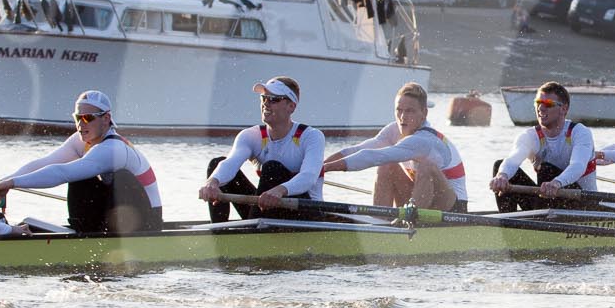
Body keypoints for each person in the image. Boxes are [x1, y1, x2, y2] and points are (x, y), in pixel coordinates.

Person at [0, 89, 164, 235]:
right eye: (77, 118)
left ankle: (90, 237)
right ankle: (85, 232)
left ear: (106, 119)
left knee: (80, 173)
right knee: (81, 175)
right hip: (121, 216)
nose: (81, 124)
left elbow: (61, 173)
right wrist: (2, 182)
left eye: (87, 118)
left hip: (147, 223)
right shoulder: (81, 140)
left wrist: (12, 184)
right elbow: (45, 163)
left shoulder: (113, 149)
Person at [323, 81, 468, 212]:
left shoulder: (424, 140)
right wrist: (317, 166)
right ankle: (380, 223)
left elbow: (373, 157)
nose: (402, 117)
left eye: (410, 111)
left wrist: (324, 169)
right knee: (387, 166)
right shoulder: (393, 130)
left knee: (426, 166)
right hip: (422, 198)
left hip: (453, 208)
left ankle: (410, 226)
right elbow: (358, 150)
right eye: (399, 110)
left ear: (424, 113)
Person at [198, 76, 326, 221]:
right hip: (267, 208)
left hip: (306, 212)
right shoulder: (250, 135)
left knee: (272, 168)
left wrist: (279, 190)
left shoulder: (311, 136)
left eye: (274, 99)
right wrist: (212, 183)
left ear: (291, 106)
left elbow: (308, 177)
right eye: (264, 98)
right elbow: (230, 163)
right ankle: (219, 235)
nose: (266, 103)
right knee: (216, 164)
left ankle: (252, 234)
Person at [489, 81, 597, 211]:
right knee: (500, 166)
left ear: (564, 108)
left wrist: (557, 183)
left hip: (582, 204)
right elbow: (513, 159)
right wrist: (502, 176)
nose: (541, 108)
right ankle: (507, 225)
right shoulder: (529, 136)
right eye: (538, 103)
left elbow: (577, 166)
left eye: (547, 104)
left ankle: (539, 222)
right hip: (546, 202)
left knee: (546, 170)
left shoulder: (579, 132)